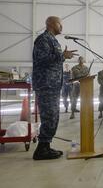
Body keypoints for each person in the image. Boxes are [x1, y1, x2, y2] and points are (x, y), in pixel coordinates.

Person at [32, 16, 77, 160]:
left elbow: (55, 58)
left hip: (53, 85)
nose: (62, 27)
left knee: (53, 117)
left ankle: (45, 147)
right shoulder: (43, 39)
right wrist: (62, 56)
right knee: (49, 116)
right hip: (46, 84)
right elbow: (42, 59)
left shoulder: (53, 40)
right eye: (60, 24)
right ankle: (41, 150)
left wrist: (63, 56)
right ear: (51, 24)